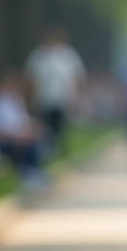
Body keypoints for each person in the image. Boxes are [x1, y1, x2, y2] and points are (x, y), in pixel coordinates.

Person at [24, 27, 86, 155]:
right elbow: (31, 78)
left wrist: (76, 96)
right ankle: (47, 148)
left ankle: (58, 147)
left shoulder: (69, 55)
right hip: (43, 97)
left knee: (60, 124)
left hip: (62, 97)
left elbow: (76, 77)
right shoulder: (39, 56)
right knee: (46, 124)